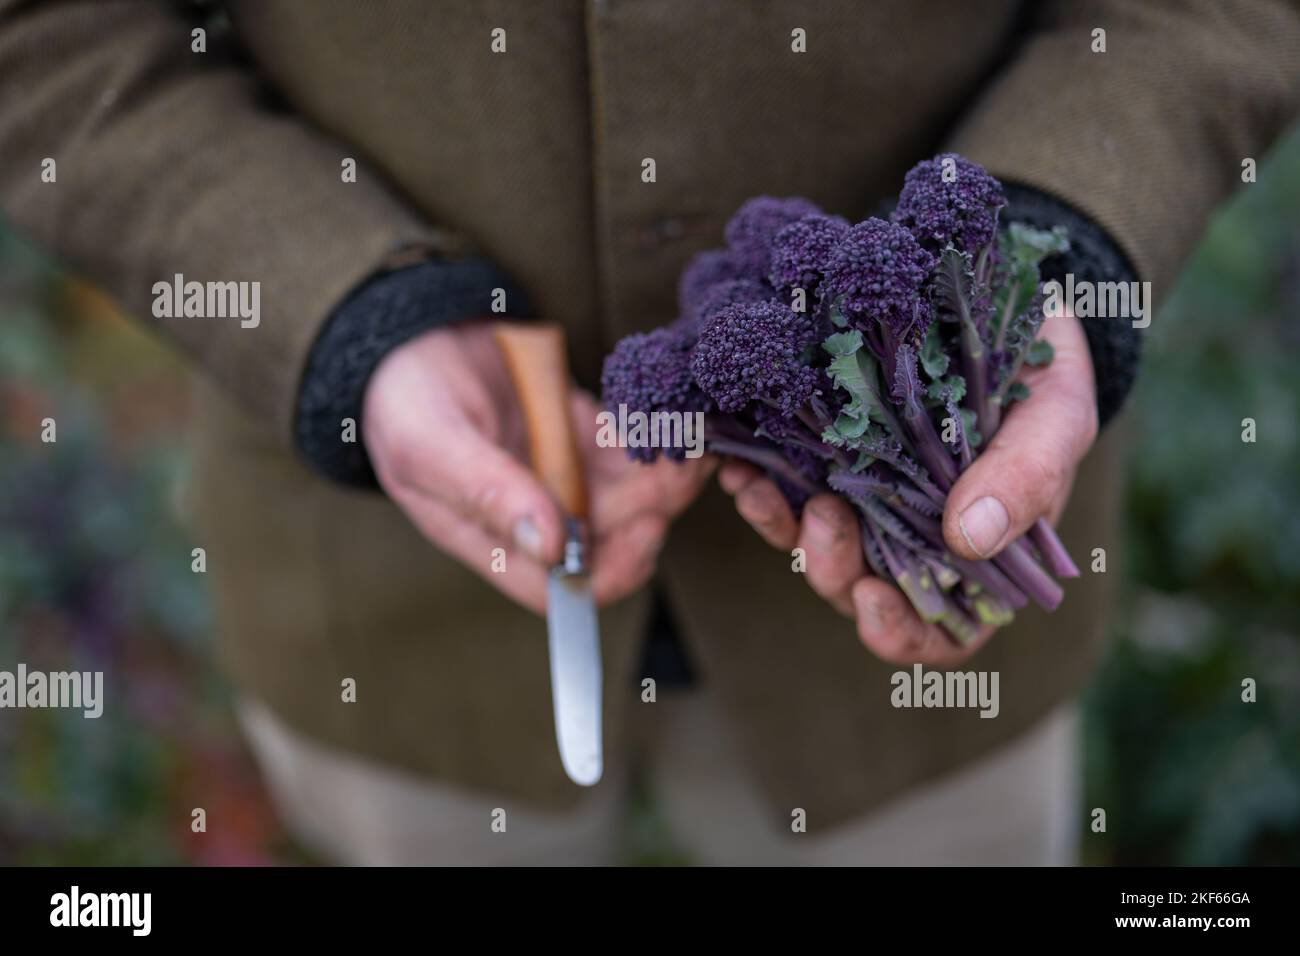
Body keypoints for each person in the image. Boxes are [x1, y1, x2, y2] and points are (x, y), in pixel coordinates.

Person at [1, 0, 1296, 865]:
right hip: (389, 601)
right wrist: (351, 314)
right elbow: (52, 34)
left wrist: (1039, 253)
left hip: (924, 693)